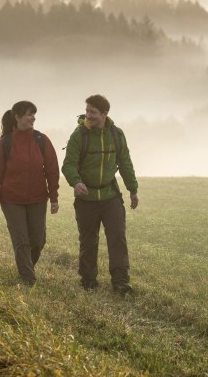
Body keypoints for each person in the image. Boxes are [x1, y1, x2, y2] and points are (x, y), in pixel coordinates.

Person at [62, 94, 138, 294]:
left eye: (93, 112)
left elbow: (125, 163)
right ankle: (88, 279)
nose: (88, 115)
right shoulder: (79, 135)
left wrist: (133, 189)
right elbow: (68, 164)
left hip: (111, 196)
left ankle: (121, 281)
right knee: (88, 240)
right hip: (86, 199)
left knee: (117, 237)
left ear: (105, 114)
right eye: (87, 111)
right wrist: (76, 182)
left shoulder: (116, 134)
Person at [0, 101, 60, 286]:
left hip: (37, 199)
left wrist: (54, 198)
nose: (33, 118)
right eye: (29, 114)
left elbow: (52, 170)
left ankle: (26, 267)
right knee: (21, 241)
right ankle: (28, 280)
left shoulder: (41, 139)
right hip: (11, 200)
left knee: (37, 240)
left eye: (34, 114)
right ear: (17, 117)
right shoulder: (5, 142)